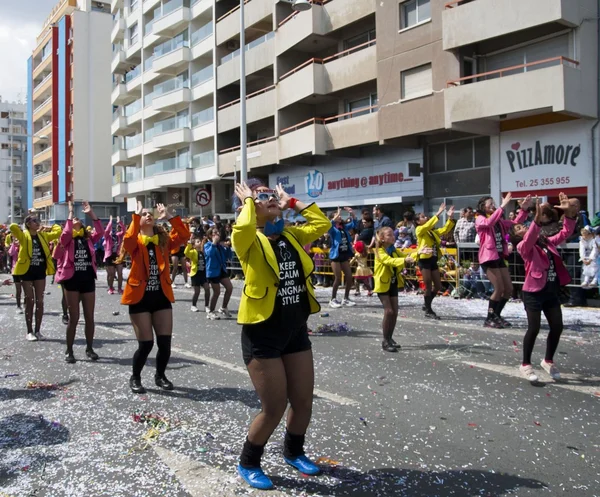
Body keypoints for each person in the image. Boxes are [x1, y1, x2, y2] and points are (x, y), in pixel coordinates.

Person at [231, 180, 330, 490]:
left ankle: (294, 451)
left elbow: (321, 223)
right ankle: (248, 461)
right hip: (263, 334)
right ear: (249, 206)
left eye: (272, 196)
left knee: (302, 402)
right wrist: (250, 203)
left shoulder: (291, 235)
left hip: (295, 330)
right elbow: (243, 228)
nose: (270, 199)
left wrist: (292, 201)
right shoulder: (248, 240)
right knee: (273, 408)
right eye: (263, 197)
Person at [120, 201, 190, 394]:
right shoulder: (135, 242)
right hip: (139, 298)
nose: (148, 215)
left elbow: (184, 235)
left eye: (149, 214)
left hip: (161, 297)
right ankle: (135, 377)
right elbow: (128, 240)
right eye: (144, 214)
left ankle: (160, 375)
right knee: (146, 344)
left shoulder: (164, 241)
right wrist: (135, 216)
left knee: (165, 344)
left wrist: (168, 216)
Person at [510, 194, 578, 382]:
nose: (522, 227)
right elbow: (531, 235)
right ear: (517, 237)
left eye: (523, 225)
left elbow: (564, 233)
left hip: (550, 290)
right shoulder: (524, 247)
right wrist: (536, 222)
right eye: (519, 228)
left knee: (557, 326)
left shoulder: (546, 241)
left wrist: (570, 215)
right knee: (534, 328)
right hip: (533, 292)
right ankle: (525, 364)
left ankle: (548, 360)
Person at [55, 201, 104, 363]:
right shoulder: (66, 240)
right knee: (74, 317)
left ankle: (89, 348)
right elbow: (65, 233)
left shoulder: (88, 239)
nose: (76, 219)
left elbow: (100, 231)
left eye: (78, 219)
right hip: (72, 280)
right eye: (73, 219)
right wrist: (70, 213)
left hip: (88, 279)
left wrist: (91, 214)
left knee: (89, 317)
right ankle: (69, 350)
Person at [475, 193, 531, 328]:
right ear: (483, 207)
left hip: (499, 256)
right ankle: (489, 318)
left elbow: (515, 223)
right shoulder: (480, 219)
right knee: (498, 288)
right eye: (490, 204)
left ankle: (497, 315)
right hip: (488, 258)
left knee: (508, 289)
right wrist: (502, 206)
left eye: (494, 204)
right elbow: (489, 223)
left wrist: (523, 209)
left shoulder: (499, 222)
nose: (493, 206)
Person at [10, 215, 61, 341]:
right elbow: (12, 227)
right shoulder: (23, 235)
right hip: (26, 271)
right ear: (28, 224)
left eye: (38, 220)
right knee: (30, 300)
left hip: (40, 271)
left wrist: (48, 227)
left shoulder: (43, 235)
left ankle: (38, 331)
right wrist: (24, 226)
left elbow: (58, 231)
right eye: (34, 221)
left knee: (40, 300)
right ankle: (29, 331)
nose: (38, 222)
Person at [374, 227, 414, 352]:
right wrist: (404, 260)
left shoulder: (393, 249)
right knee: (389, 311)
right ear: (382, 238)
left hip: (392, 283)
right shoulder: (380, 251)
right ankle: (385, 341)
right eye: (389, 235)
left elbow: (406, 256)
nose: (393, 237)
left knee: (395, 312)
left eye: (393, 234)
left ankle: (390, 338)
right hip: (382, 284)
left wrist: (419, 252)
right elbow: (389, 261)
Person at [415, 203, 456, 319]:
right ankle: (428, 309)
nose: (426, 218)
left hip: (433, 259)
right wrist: (438, 213)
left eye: (425, 216)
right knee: (428, 285)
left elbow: (444, 229)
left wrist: (450, 218)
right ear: (418, 221)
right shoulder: (419, 230)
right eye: (422, 217)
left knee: (437, 286)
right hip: (424, 260)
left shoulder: (431, 231)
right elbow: (427, 225)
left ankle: (426, 303)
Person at [328, 207, 357, 308]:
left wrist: (352, 213)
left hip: (344, 254)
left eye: (340, 216)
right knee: (338, 277)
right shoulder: (332, 229)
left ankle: (346, 298)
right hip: (335, 255)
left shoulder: (344, 227)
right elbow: (329, 224)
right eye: (337, 216)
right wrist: (336, 216)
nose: (339, 217)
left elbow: (354, 224)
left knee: (349, 277)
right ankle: (333, 299)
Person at [204, 228, 233, 320]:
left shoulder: (220, 246)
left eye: (218, 232)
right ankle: (211, 312)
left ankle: (223, 307)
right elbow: (210, 254)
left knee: (229, 288)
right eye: (215, 233)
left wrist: (228, 247)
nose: (217, 234)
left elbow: (228, 256)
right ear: (210, 235)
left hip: (221, 270)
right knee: (217, 292)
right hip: (213, 271)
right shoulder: (207, 245)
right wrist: (213, 243)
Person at [184, 234, 210, 312]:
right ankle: (193, 305)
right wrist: (189, 244)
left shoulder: (203, 252)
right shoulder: (193, 252)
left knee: (207, 289)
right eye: (197, 242)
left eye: (200, 241)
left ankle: (207, 306)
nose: (199, 243)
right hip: (195, 274)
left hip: (203, 274)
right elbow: (186, 252)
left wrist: (205, 240)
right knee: (197, 291)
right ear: (194, 245)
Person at [104, 215, 126, 295]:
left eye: (114, 229)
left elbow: (124, 230)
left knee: (120, 273)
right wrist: (110, 222)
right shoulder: (107, 237)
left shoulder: (119, 235)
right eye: (111, 229)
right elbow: (106, 231)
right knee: (112, 274)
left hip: (118, 255)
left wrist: (119, 222)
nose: (112, 231)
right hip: (110, 256)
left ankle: (120, 288)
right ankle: (110, 287)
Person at [53, 242, 69, 325]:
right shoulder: (61, 243)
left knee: (78, 296)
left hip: (77, 271)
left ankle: (72, 312)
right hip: (63, 272)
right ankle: (65, 314)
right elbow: (55, 256)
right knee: (65, 295)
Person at [8, 238, 23, 314]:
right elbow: (10, 253)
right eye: (15, 239)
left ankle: (27, 305)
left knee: (28, 290)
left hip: (25, 270)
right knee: (18, 290)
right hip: (16, 271)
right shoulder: (13, 246)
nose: (18, 240)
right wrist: (14, 244)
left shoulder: (24, 245)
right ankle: (18, 306)